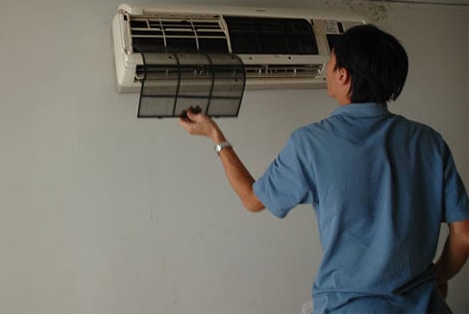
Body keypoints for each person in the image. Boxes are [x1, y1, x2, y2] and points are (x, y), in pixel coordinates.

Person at [178, 24, 469, 313]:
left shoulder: (310, 143)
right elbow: (464, 235)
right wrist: (439, 277)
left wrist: (215, 137)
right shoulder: (430, 142)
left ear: (343, 75)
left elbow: (252, 199)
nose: (327, 68)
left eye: (331, 61)